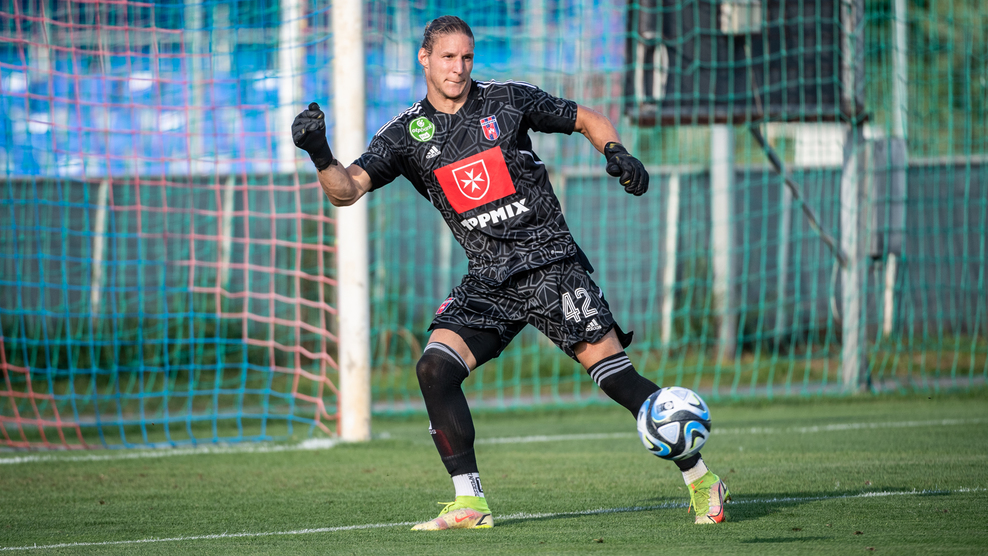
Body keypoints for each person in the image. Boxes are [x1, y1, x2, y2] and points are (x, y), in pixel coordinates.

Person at [292, 15, 730, 530]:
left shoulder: (506, 99)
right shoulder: (405, 134)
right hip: (489, 277)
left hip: (550, 266)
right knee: (435, 369)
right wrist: (320, 152)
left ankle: (702, 479)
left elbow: (586, 118)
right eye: (448, 57)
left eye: (466, 57)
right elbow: (346, 191)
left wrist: (617, 151)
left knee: (618, 379)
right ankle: (470, 503)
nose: (458, 68)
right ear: (424, 58)